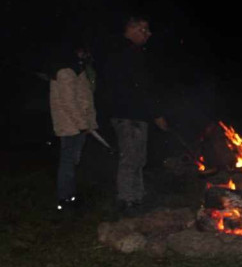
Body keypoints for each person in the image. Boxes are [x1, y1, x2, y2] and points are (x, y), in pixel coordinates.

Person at [100, 16, 168, 215]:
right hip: (128, 114)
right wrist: (156, 114)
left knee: (138, 158)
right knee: (131, 158)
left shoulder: (125, 51)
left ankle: (137, 198)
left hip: (132, 114)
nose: (149, 34)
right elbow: (140, 86)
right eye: (144, 30)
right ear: (131, 29)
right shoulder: (126, 52)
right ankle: (127, 201)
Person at [48, 47, 98, 211]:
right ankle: (65, 199)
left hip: (78, 126)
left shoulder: (77, 71)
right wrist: (83, 124)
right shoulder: (65, 72)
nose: (84, 56)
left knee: (72, 162)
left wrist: (88, 123)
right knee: (68, 162)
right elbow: (68, 102)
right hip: (70, 127)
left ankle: (71, 196)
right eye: (82, 53)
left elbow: (84, 98)